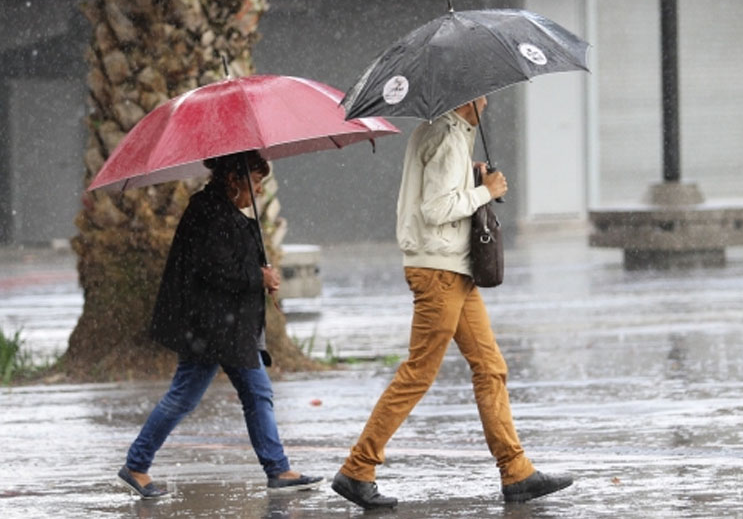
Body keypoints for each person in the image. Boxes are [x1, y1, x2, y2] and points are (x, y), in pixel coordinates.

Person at [330, 96, 573, 509]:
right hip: (439, 272)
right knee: (418, 373)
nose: (487, 102)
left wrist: (470, 177)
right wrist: (484, 191)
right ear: (467, 99)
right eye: (483, 96)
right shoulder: (446, 136)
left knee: (490, 366)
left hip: (454, 269)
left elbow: (441, 193)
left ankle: (516, 472)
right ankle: (358, 468)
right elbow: (436, 208)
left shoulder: (445, 133)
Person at [117, 151, 322, 498]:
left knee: (254, 393)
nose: (259, 191)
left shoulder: (221, 210)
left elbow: (228, 263)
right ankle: (137, 464)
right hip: (212, 328)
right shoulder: (208, 211)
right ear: (233, 179)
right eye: (255, 181)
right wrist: (258, 276)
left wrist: (260, 273)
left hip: (226, 327)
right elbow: (214, 269)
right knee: (190, 396)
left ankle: (278, 469)